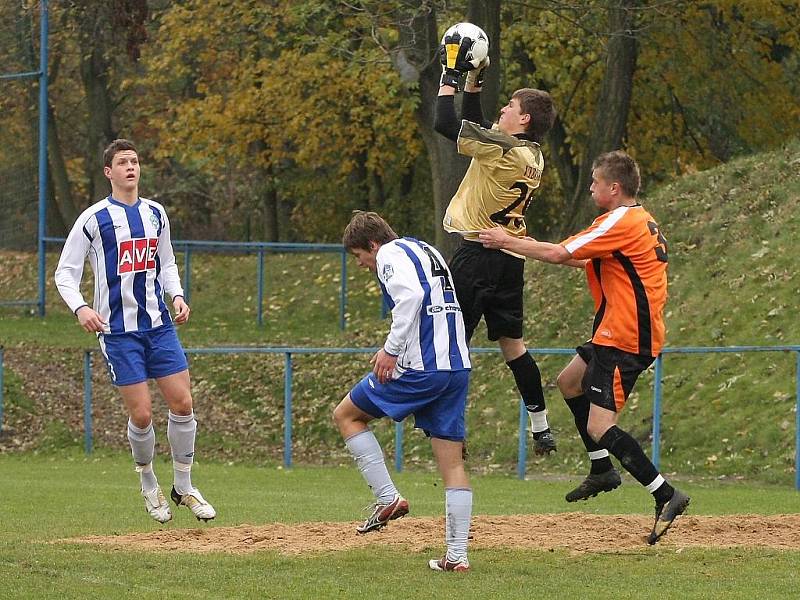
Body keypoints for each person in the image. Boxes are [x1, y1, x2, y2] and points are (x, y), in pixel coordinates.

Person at [478, 150, 689, 544]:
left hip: (626, 336)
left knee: (599, 425)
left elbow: (560, 253)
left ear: (615, 187)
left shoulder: (622, 221)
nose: (590, 187)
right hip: (614, 331)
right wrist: (520, 246)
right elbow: (576, 259)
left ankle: (665, 493)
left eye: (594, 181)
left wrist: (507, 241)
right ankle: (601, 469)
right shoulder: (632, 221)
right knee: (569, 381)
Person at [54, 139, 215, 524]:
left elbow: (167, 261)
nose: (131, 167)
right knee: (142, 415)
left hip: (158, 326)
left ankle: (184, 486)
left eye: (135, 161)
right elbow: (65, 273)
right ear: (108, 172)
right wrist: (81, 308)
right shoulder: (93, 219)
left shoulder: (156, 214)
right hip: (118, 332)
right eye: (122, 162)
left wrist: (177, 295)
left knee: (183, 404)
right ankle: (147, 484)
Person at [433, 38, 558, 455]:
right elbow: (476, 125)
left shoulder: (503, 148)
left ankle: (452, 429)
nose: (502, 109)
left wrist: (450, 76)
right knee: (513, 346)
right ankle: (540, 425)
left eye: (509, 106)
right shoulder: (531, 154)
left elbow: (446, 125)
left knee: (455, 344)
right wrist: (476, 81)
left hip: (478, 254)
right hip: (511, 257)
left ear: (522, 119)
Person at [333, 211, 473, 572]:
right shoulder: (427, 249)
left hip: (421, 369)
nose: (363, 264)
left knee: (346, 415)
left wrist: (391, 350)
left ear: (373, 244)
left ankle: (388, 498)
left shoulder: (390, 255)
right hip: (455, 365)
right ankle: (456, 557)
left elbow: (410, 298)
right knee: (453, 463)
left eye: (360, 256)